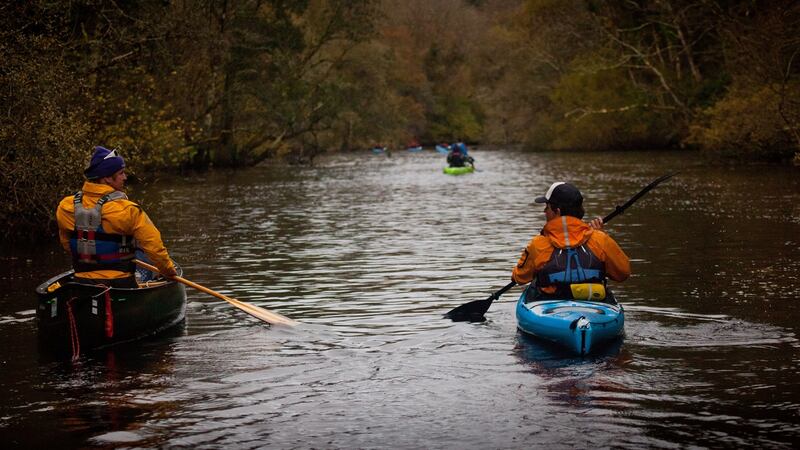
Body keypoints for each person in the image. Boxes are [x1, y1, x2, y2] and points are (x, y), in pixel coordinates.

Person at [56, 146, 178, 288]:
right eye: (121, 173)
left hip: (82, 283)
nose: (125, 177)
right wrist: (168, 271)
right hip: (120, 284)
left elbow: (68, 244)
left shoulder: (65, 206)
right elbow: (154, 247)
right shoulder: (128, 210)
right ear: (107, 178)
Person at [511, 182, 630, 301]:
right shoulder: (600, 239)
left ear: (557, 211)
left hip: (550, 308)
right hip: (593, 303)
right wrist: (599, 236)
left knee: (534, 285)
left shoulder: (538, 244)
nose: (544, 211)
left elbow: (519, 277)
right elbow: (623, 273)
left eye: (547, 207)